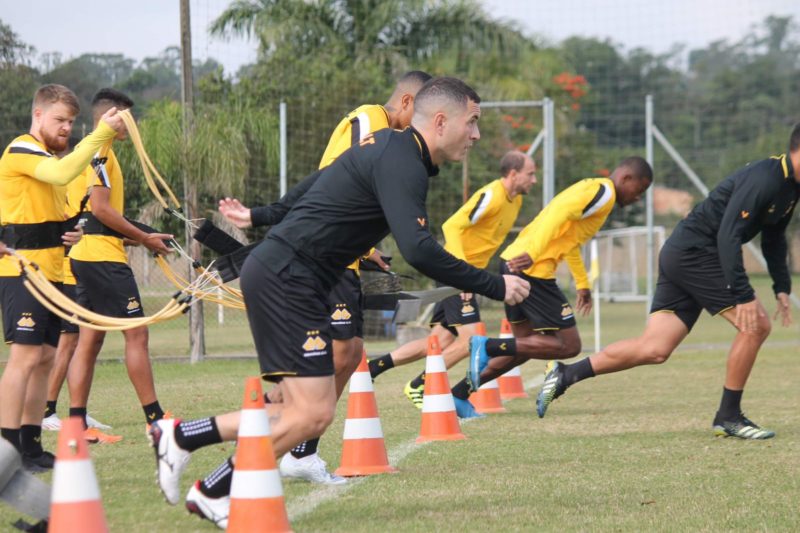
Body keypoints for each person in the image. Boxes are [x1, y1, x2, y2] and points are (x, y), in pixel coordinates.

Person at [149, 76, 531, 527]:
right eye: (473, 122)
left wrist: (260, 215)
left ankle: (184, 439)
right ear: (442, 121)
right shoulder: (400, 157)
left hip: (297, 279)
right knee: (312, 412)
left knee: (294, 408)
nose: (477, 135)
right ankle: (210, 484)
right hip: (287, 278)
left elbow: (317, 182)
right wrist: (495, 285)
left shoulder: (389, 147)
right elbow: (418, 249)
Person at [217, 70, 431, 485]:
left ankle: (291, 441)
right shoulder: (372, 121)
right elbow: (337, 179)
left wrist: (366, 250)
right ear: (407, 102)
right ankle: (280, 438)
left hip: (339, 256)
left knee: (348, 353)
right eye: (421, 113)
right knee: (336, 354)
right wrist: (265, 214)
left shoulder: (389, 134)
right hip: (321, 257)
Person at [536, 125, 800, 440]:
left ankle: (565, 374)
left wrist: (781, 287)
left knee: (655, 348)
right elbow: (728, 235)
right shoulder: (766, 177)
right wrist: (743, 295)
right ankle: (728, 416)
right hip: (694, 254)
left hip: (684, 253)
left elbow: (774, 236)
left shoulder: (791, 187)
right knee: (755, 325)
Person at [0, 84, 125, 471]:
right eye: (59, 120)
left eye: (70, 122)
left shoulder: (45, 157)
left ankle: (32, 448)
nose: (66, 128)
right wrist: (101, 134)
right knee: (24, 358)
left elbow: (49, 213)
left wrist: (68, 231)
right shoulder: (22, 150)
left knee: (46, 357)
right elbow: (61, 173)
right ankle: (7, 454)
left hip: (53, 271)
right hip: (22, 272)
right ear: (37, 115)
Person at [464, 157, 653, 407]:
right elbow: (558, 214)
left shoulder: (594, 189)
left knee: (524, 347)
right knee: (569, 346)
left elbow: (569, 239)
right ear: (626, 178)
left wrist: (582, 283)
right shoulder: (604, 193)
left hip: (514, 262)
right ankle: (487, 345)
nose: (638, 197)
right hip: (532, 270)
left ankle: (459, 392)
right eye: (640, 189)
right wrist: (533, 252)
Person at [368, 150, 538, 418]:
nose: (534, 180)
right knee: (471, 340)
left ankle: (375, 367)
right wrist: (462, 273)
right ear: (513, 174)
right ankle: (420, 385)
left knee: (439, 340)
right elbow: (452, 226)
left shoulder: (514, 201)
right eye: (530, 174)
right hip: (459, 274)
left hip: (466, 275)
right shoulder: (491, 196)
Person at [66, 88, 173, 441]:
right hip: (101, 259)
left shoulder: (89, 150)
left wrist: (145, 237)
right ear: (109, 117)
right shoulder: (100, 152)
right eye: (127, 117)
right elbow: (100, 210)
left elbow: (90, 215)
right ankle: (154, 418)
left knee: (89, 340)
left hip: (84, 256)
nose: (133, 124)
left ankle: (77, 424)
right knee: (136, 334)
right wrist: (143, 237)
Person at [41, 140, 111, 434]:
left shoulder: (85, 173)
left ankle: (77, 411)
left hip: (77, 267)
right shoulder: (62, 177)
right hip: (66, 270)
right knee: (68, 341)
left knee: (82, 342)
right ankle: (46, 410)